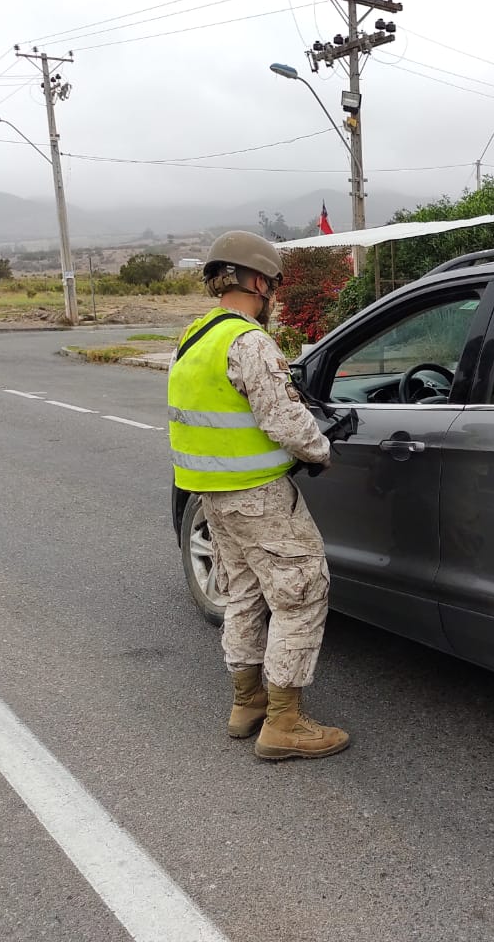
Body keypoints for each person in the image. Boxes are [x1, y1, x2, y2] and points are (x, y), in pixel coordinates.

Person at [167, 230, 349, 760]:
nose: (272, 295)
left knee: (244, 594)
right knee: (301, 592)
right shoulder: (248, 342)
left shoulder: (194, 339)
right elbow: (284, 419)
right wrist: (322, 450)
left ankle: (246, 703)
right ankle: (284, 723)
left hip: (213, 497)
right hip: (259, 496)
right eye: (271, 284)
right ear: (256, 281)